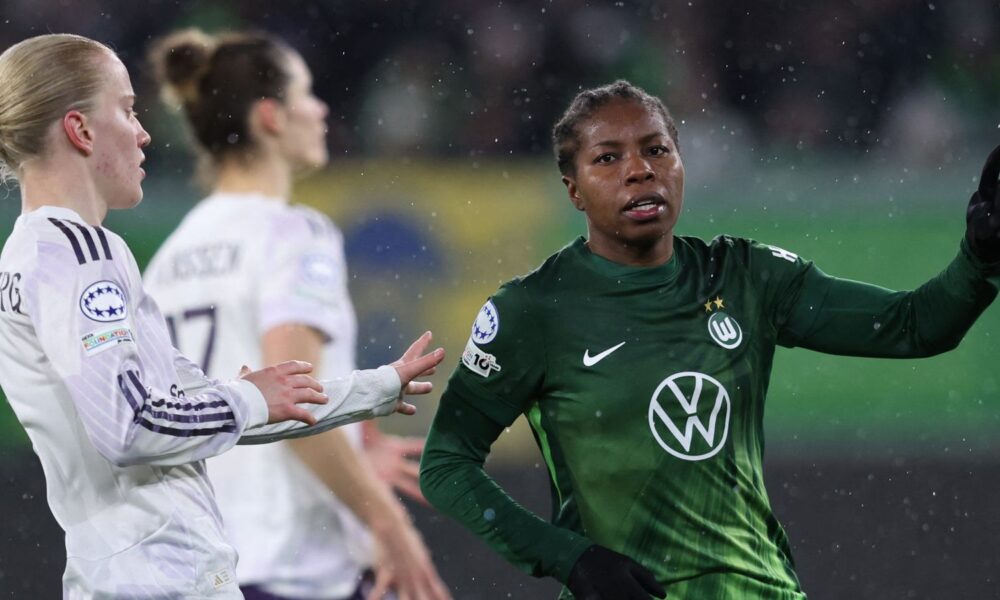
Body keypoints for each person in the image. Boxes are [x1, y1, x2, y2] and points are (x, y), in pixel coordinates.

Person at [419, 79, 1000, 599]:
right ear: (574, 191)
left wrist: (978, 256)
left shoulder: (748, 276)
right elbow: (446, 463)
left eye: (656, 149)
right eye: (608, 158)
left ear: (680, 164)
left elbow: (916, 326)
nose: (640, 169)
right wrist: (570, 559)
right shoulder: (532, 310)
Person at [0, 33, 444, 599]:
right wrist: (382, 517)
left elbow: (209, 399)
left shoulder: (112, 254)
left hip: (163, 566)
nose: (143, 133)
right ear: (80, 129)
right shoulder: (82, 255)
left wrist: (375, 388)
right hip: (197, 576)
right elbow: (133, 426)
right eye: (128, 110)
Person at [144, 29, 451, 600]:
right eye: (307, 93)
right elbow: (294, 404)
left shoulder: (167, 259)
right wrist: (387, 522)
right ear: (271, 117)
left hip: (202, 563)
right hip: (294, 566)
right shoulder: (294, 233)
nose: (321, 109)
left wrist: (353, 436)